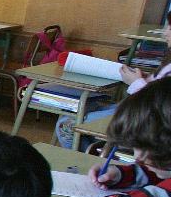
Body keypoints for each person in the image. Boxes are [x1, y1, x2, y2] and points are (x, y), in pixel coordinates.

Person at [55, 15, 171, 148]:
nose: (165, 32)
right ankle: (93, 158)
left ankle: (87, 162)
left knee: (66, 125)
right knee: (73, 113)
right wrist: (147, 78)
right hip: (136, 111)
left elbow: (160, 107)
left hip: (147, 119)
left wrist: (136, 82)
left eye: (170, 28)